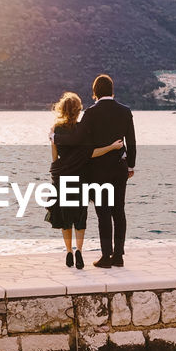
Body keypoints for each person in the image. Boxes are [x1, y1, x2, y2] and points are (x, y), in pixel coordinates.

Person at [49, 92, 123, 269]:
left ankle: (68, 251)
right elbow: (91, 154)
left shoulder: (56, 130)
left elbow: (54, 158)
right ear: (78, 110)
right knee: (80, 215)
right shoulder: (84, 129)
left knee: (65, 216)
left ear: (61, 109)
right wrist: (112, 147)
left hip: (62, 176)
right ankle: (79, 251)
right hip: (81, 177)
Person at [77, 74, 136, 268]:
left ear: (95, 92)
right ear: (112, 90)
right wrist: (131, 166)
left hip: (99, 171)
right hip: (120, 168)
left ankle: (105, 256)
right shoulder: (125, 111)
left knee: (103, 213)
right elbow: (131, 142)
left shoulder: (91, 113)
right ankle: (118, 256)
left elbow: (80, 140)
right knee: (119, 211)